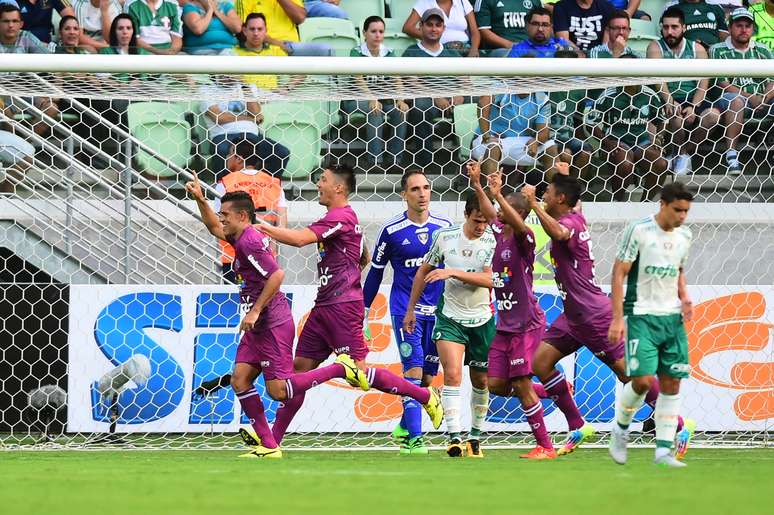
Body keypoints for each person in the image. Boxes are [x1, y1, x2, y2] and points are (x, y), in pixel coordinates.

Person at [256, 163, 445, 446]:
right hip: (324, 307)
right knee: (297, 372)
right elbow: (364, 257)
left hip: (343, 307)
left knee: (359, 375)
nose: (318, 184)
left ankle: (425, 396)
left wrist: (256, 225)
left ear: (339, 187)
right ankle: (271, 443)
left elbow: (298, 240)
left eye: (322, 180)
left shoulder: (340, 216)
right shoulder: (339, 219)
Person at [185, 176, 373, 458]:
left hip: (272, 321)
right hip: (258, 324)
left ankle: (340, 369)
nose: (221, 219)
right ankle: (269, 445)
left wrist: (256, 309)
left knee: (280, 391)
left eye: (225, 215)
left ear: (242, 216)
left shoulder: (249, 240)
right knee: (240, 379)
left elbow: (277, 275)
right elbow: (213, 227)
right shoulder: (239, 236)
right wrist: (201, 199)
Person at [523, 175, 692, 457]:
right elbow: (571, 210)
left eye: (548, 193)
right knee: (540, 362)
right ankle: (578, 425)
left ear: (561, 199)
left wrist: (531, 203)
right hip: (572, 316)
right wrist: (563, 172)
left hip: (592, 315)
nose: (544, 197)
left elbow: (558, 232)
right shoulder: (575, 215)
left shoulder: (568, 225)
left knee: (629, 376)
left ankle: (678, 424)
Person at [468, 163, 556, 460]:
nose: (496, 210)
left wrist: (499, 195)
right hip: (504, 324)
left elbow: (514, 220)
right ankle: (555, 390)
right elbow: (491, 211)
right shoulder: (500, 231)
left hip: (526, 323)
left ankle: (545, 445)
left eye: (503, 206)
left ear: (517, 213)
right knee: (496, 384)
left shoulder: (525, 236)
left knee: (520, 383)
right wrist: (479, 185)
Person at [362, 169, 453, 454]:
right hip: (406, 311)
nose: (422, 193)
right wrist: (364, 311)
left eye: (426, 187)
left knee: (426, 379)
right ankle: (415, 440)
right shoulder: (391, 231)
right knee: (412, 372)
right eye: (415, 189)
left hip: (437, 313)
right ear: (404, 195)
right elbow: (376, 273)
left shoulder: (445, 227)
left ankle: (404, 427)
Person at [403, 190, 496, 458]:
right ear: (466, 214)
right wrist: (410, 309)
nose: (480, 226)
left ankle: (475, 437)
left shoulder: (493, 242)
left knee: (481, 380)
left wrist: (453, 272)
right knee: (452, 374)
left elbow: (492, 281)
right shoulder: (444, 237)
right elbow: (423, 270)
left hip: (482, 319)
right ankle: (454, 436)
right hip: (450, 317)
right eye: (477, 220)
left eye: (485, 222)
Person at [608, 181, 694, 468]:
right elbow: (619, 272)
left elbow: (678, 268)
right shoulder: (639, 230)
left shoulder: (685, 235)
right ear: (663, 205)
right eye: (677, 210)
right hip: (641, 314)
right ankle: (620, 429)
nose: (682, 216)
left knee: (672, 383)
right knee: (643, 381)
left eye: (686, 211)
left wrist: (684, 295)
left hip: (671, 318)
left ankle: (663, 452)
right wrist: (617, 318)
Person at [647, 6, 719, 176]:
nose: (669, 32)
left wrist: (694, 106)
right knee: (675, 117)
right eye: (665, 27)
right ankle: (679, 156)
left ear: (684, 28)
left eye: (674, 27)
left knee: (713, 116)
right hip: (664, 99)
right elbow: (659, 82)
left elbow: (703, 83)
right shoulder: (655, 47)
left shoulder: (697, 49)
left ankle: (683, 154)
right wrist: (670, 102)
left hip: (692, 98)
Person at [709, 8, 774, 176]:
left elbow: (773, 81)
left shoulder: (763, 49)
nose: (744, 29)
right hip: (731, 99)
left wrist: (763, 98)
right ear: (730, 28)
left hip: (762, 100)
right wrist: (751, 97)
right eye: (739, 25)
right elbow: (722, 83)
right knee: (736, 100)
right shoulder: (718, 50)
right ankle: (731, 155)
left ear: (753, 29)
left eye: (748, 26)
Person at [214, 139, 288, 283]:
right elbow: (282, 225)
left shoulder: (225, 182)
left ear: (239, 158)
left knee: (236, 300)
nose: (227, 158)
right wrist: (271, 252)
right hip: (265, 254)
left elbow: (219, 221)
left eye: (230, 154)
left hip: (233, 255)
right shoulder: (274, 183)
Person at [588, 73, 669, 201]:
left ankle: (645, 203)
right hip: (615, 140)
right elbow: (590, 123)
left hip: (642, 142)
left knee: (661, 163)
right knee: (625, 164)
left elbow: (663, 120)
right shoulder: (609, 94)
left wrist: (658, 140)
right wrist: (607, 142)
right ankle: (618, 201)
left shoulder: (649, 94)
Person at [343, 15, 409, 171]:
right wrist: (371, 98)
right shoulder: (356, 52)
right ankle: (374, 161)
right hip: (357, 99)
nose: (378, 35)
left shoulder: (389, 53)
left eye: (381, 31)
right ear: (365, 33)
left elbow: (396, 78)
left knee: (400, 112)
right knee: (375, 111)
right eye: (373, 31)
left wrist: (400, 99)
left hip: (384, 100)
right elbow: (358, 78)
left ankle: (395, 160)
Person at [402, 8, 465, 168]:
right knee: (420, 107)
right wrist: (436, 97)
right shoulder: (412, 52)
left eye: (438, 25)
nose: (434, 29)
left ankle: (470, 160)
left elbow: (466, 79)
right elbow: (411, 82)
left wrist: (460, 94)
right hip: (427, 99)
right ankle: (426, 163)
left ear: (443, 28)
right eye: (429, 24)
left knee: (483, 100)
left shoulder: (452, 53)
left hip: (453, 99)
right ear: (421, 26)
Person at [200, 72, 290, 180]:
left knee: (281, 152)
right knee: (222, 150)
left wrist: (244, 85)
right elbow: (219, 117)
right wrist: (249, 118)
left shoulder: (246, 88)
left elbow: (256, 113)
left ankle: (265, 187)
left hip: (251, 135)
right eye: (223, 71)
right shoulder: (206, 89)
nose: (228, 75)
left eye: (231, 71)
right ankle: (223, 189)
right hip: (224, 135)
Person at [470, 88, 561, 180]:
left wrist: (536, 141)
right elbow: (482, 104)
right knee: (493, 148)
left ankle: (556, 192)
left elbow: (544, 131)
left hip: (518, 144)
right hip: (489, 138)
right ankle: (489, 192)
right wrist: (486, 135)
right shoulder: (501, 89)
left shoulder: (542, 99)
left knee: (550, 148)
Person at [235, 0, 333, 56]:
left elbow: (300, 18)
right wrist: (278, 44)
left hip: (291, 46)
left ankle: (337, 91)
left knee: (326, 49)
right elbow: (244, 30)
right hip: (263, 45)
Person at [403, 0, 481, 56]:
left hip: (464, 47)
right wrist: (432, 39)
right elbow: (408, 27)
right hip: (442, 49)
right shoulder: (424, 2)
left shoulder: (463, 2)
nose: (433, 28)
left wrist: (474, 48)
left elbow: (474, 31)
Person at [476, 0, 544, 57]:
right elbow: (483, 31)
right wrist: (512, 46)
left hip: (532, 47)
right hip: (500, 49)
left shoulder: (536, 1)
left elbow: (545, 25)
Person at [508, 6, 572, 57]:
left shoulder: (562, 44)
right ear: (527, 26)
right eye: (535, 24)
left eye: (545, 25)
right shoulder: (518, 50)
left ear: (551, 27)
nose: (540, 29)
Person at [662, 0, 727, 49]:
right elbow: (668, 35)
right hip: (686, 53)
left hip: (713, 51)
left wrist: (714, 49)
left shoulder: (715, 6)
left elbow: (724, 35)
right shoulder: (671, 7)